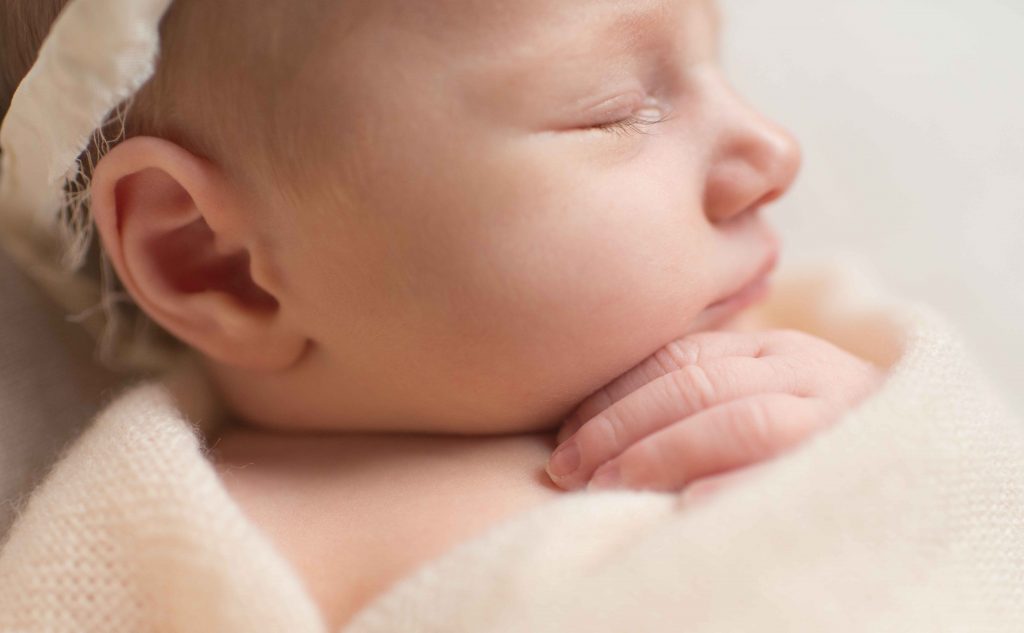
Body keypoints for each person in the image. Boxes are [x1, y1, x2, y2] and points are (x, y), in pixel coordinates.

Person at [0, 0, 884, 629]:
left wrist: (871, 449)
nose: (773, 152)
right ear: (215, 262)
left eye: (717, 62)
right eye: (616, 108)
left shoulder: (817, 346)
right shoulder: (169, 552)